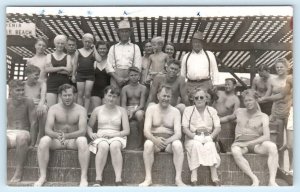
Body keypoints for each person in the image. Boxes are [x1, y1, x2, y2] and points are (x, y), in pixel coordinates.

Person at [34, 84, 90, 187]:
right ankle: (42, 176)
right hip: (58, 140)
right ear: (60, 96)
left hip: (73, 140)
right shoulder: (54, 109)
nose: (67, 98)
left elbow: (82, 131)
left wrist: (66, 136)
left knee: (83, 140)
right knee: (44, 140)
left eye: (70, 95)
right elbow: (47, 130)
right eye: (65, 95)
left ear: (74, 95)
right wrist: (58, 136)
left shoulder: (81, 110)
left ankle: (83, 177)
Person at [220, 89, 278, 186]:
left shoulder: (263, 116)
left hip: (257, 145)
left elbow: (266, 136)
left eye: (250, 100)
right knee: (235, 151)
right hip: (241, 144)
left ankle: (272, 181)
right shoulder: (239, 112)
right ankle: (254, 178)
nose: (248, 103)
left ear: (256, 100)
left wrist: (247, 143)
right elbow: (228, 118)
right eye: (246, 101)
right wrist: (213, 119)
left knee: (272, 147)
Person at [139, 85, 185, 186]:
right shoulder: (151, 109)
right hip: (155, 142)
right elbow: (146, 131)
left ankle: (178, 179)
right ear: (158, 95)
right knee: (147, 144)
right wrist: (155, 140)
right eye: (164, 96)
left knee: (178, 145)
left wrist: (166, 141)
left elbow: (178, 134)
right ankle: (148, 178)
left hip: (169, 143)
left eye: (168, 96)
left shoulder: (175, 112)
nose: (166, 99)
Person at [87, 86, 130, 186]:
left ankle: (118, 179)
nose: (111, 99)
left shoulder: (122, 110)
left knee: (114, 146)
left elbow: (127, 131)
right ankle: (98, 179)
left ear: (117, 98)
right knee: (103, 146)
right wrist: (91, 133)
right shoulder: (97, 110)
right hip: (101, 137)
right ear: (104, 96)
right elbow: (89, 126)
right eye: (109, 95)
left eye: (114, 96)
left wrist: (112, 135)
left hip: (117, 136)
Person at [182, 88, 221, 186]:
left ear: (206, 99)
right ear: (193, 99)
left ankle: (215, 177)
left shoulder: (212, 110)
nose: (199, 99)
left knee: (210, 146)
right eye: (196, 98)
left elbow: (218, 127)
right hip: (192, 138)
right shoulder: (188, 110)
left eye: (201, 97)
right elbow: (184, 128)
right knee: (196, 145)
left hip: (208, 137)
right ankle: (194, 178)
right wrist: (194, 137)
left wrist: (211, 137)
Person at [258, 58, 292, 170]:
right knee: (278, 143)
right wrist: (260, 99)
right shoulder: (272, 80)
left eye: (281, 67)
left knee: (291, 144)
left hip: (290, 111)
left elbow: (281, 95)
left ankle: (292, 168)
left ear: (287, 67)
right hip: (277, 111)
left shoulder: (291, 79)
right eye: (277, 67)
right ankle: (281, 167)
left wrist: (265, 99)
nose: (279, 69)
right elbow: (268, 95)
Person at [7, 80, 37, 183]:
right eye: (17, 90)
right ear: (10, 91)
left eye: (22, 90)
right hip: (8, 132)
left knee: (21, 137)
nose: (21, 93)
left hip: (24, 132)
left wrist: (33, 143)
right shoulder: (5, 103)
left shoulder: (29, 102)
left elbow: (33, 123)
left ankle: (18, 171)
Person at [180, 31, 220, 103]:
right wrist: (182, 87)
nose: (197, 44)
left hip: (206, 83)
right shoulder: (186, 56)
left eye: (199, 42)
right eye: (195, 42)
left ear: (203, 43)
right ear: (192, 43)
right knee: (191, 104)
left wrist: (215, 84)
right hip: (190, 85)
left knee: (206, 104)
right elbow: (182, 75)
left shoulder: (209, 54)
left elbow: (215, 70)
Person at [106, 19, 142, 91]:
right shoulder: (113, 48)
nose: (124, 33)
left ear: (129, 33)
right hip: (115, 77)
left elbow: (138, 66)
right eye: (122, 31)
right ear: (119, 33)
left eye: (126, 31)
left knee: (129, 99)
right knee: (115, 98)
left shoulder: (135, 47)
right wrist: (117, 78)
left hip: (131, 77)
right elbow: (108, 66)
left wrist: (128, 78)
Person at [72, 33, 102, 111]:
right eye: (86, 41)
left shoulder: (93, 52)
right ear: (82, 41)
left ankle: (85, 111)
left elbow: (99, 60)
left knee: (88, 94)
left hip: (90, 75)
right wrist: (73, 75)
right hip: (80, 74)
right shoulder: (78, 51)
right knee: (80, 94)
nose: (87, 43)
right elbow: (75, 64)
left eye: (89, 42)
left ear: (92, 42)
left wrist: (94, 48)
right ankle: (80, 111)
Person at [121, 67, 147, 149]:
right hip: (128, 108)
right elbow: (123, 104)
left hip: (138, 109)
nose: (134, 77)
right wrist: (127, 112)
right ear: (128, 76)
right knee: (121, 115)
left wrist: (133, 112)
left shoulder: (143, 88)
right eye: (131, 75)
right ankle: (121, 141)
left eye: (136, 75)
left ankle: (141, 142)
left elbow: (142, 105)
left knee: (139, 115)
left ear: (139, 76)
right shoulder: (125, 88)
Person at [213, 78, 240, 152]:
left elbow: (234, 115)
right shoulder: (219, 93)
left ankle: (223, 148)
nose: (227, 86)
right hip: (213, 118)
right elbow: (209, 99)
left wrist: (222, 120)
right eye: (226, 84)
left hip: (225, 122)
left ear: (234, 86)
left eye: (229, 84)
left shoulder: (236, 100)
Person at [45, 35, 72, 107]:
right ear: (55, 44)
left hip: (64, 85)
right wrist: (63, 67)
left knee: (62, 108)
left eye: (62, 43)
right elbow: (47, 70)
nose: (60, 45)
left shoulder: (68, 56)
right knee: (50, 107)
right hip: (51, 84)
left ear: (65, 45)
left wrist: (54, 69)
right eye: (58, 43)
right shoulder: (49, 56)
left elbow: (69, 71)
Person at [24, 65, 47, 145]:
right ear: (28, 74)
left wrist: (40, 105)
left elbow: (43, 97)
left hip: (38, 106)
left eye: (39, 74)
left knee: (44, 108)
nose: (38, 77)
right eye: (36, 74)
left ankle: (41, 136)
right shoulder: (22, 84)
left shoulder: (42, 83)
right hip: (26, 106)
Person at [90, 41, 111, 111]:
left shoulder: (110, 61)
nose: (102, 50)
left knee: (106, 111)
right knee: (97, 111)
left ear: (107, 49)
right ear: (97, 49)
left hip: (107, 91)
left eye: (104, 48)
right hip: (95, 90)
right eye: (100, 48)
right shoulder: (93, 61)